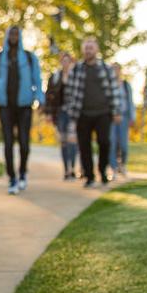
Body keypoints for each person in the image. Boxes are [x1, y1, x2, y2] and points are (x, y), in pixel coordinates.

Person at [0, 26, 45, 195]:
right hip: (5, 106)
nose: (13, 37)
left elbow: (37, 79)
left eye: (16, 34)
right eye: (10, 34)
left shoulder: (29, 57)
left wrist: (40, 99)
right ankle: (12, 177)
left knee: (24, 143)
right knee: (8, 143)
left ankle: (23, 173)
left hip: (25, 105)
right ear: (6, 36)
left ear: (20, 37)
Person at [64, 37, 122, 188]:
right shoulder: (76, 70)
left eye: (91, 47)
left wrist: (116, 111)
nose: (88, 50)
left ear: (96, 50)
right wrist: (72, 113)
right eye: (86, 47)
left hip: (103, 113)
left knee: (104, 142)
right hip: (82, 114)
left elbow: (114, 91)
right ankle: (89, 176)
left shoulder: (106, 69)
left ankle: (102, 171)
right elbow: (68, 94)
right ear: (83, 50)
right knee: (84, 146)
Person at [45, 51, 78, 180]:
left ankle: (73, 168)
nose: (65, 63)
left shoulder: (75, 76)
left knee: (72, 140)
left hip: (73, 112)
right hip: (60, 113)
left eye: (67, 61)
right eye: (63, 61)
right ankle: (66, 170)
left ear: (71, 62)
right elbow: (49, 96)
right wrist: (48, 113)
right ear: (60, 62)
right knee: (63, 141)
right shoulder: (55, 77)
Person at [109, 63, 136, 178]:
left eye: (117, 69)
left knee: (123, 144)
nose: (115, 71)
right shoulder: (108, 85)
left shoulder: (125, 85)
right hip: (111, 118)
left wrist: (132, 117)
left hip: (124, 117)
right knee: (112, 143)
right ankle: (113, 169)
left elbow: (130, 101)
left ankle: (123, 165)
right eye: (113, 69)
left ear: (120, 71)